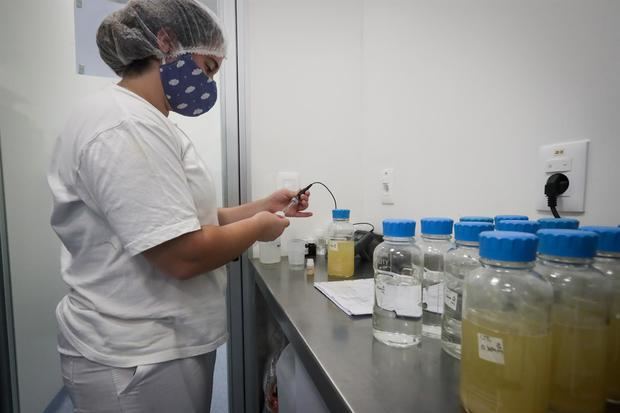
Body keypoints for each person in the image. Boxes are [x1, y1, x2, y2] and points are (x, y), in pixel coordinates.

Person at [47, 0, 311, 411]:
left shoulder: (146, 121)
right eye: (207, 68)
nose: (208, 83)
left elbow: (185, 220)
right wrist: (260, 228)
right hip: (136, 356)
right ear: (166, 43)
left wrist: (264, 206)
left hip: (153, 342)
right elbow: (182, 255)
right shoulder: (126, 127)